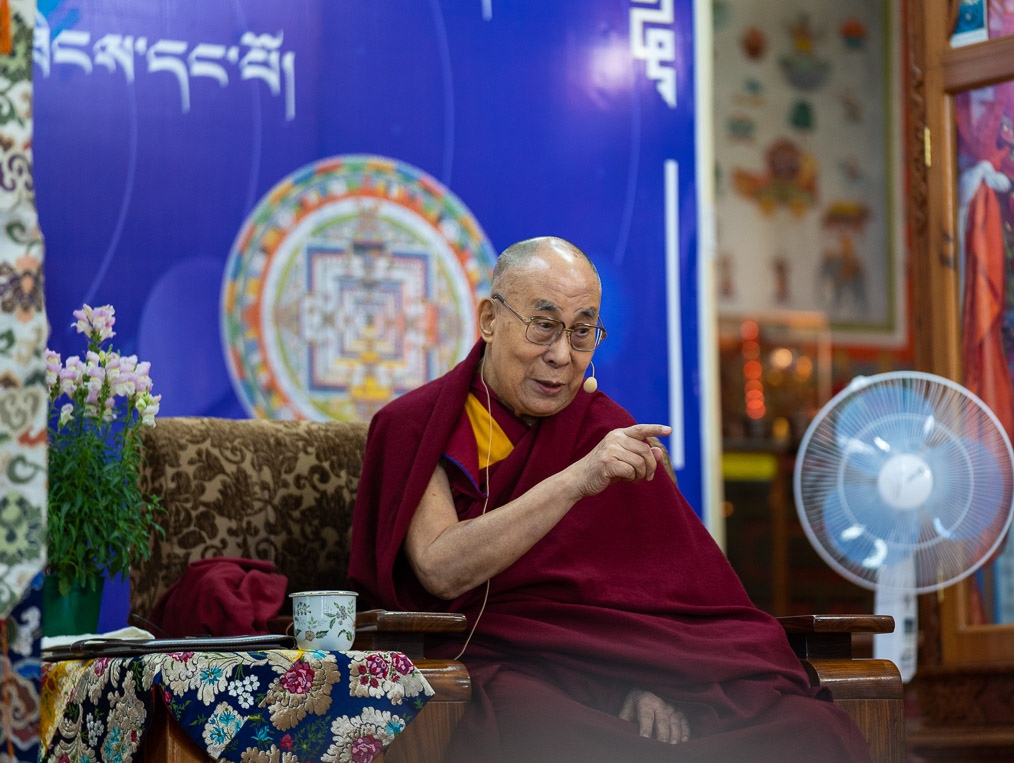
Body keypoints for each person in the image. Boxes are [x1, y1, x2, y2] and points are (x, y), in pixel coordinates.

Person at [348, 236, 872, 762]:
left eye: (582, 333)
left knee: (810, 729)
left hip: (614, 668)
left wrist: (662, 679)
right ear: (489, 320)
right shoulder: (416, 427)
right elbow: (442, 568)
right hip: (503, 663)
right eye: (544, 325)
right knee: (540, 731)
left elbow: (679, 608)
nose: (560, 355)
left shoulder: (607, 432)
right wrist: (579, 478)